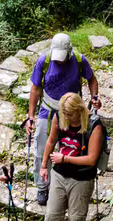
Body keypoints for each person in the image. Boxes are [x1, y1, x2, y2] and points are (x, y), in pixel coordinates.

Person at [23, 33, 99, 207]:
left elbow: (92, 80)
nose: (59, 61)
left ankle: (71, 183)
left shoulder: (80, 60)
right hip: (49, 109)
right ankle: (43, 186)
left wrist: (95, 97)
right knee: (42, 144)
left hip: (73, 110)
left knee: (75, 146)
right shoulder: (45, 61)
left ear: (69, 51)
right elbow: (36, 89)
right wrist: (31, 116)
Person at [37, 92, 105, 221]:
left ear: (79, 111)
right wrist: (44, 166)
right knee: (52, 215)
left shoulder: (94, 125)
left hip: (82, 178)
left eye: (70, 115)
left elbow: (91, 159)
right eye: (64, 114)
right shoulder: (59, 117)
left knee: (76, 218)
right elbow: (51, 141)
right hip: (59, 173)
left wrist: (65, 158)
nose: (66, 118)